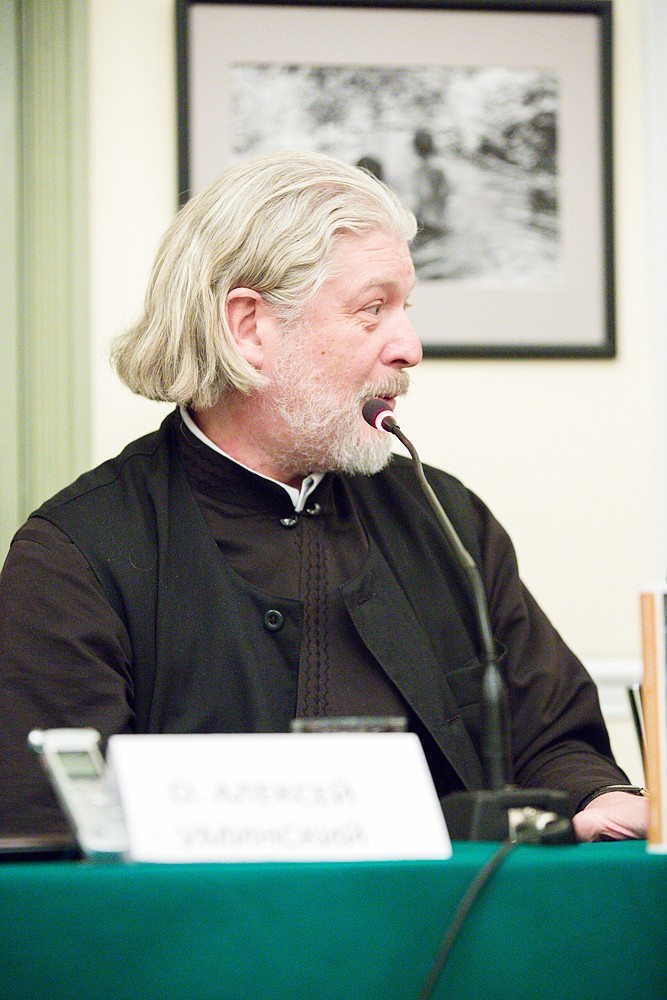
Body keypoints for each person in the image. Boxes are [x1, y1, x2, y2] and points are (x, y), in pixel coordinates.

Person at [0, 151, 647, 842]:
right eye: (373, 309)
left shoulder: (448, 520)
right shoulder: (75, 556)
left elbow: (552, 740)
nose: (409, 347)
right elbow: (54, 839)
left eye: (405, 309)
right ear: (248, 327)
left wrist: (600, 796)